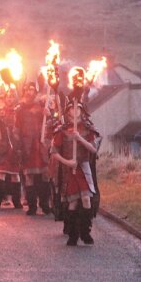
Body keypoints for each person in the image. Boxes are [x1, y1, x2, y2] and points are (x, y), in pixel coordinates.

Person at [50, 100, 99, 246]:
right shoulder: (61, 130)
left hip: (84, 169)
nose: (75, 111)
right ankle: (73, 235)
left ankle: (85, 233)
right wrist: (67, 162)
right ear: (67, 111)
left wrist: (80, 138)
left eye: (78, 108)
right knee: (73, 202)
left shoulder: (88, 129)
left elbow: (93, 149)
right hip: (69, 171)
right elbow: (54, 152)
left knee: (86, 199)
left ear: (82, 111)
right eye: (72, 108)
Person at [15, 82, 51, 215]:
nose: (30, 93)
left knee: (45, 175)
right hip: (27, 147)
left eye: (32, 90)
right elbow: (17, 129)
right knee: (29, 176)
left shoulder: (42, 106)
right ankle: (32, 205)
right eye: (27, 90)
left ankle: (45, 203)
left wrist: (49, 114)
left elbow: (51, 125)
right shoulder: (21, 109)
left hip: (41, 145)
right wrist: (18, 147)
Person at [0, 92, 23, 209]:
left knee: (15, 175)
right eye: (8, 97)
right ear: (5, 98)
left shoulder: (18, 112)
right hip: (2, 146)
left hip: (15, 146)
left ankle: (16, 201)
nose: (10, 99)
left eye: (12, 96)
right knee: (1, 173)